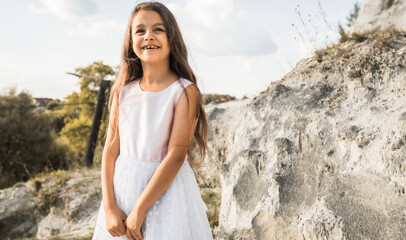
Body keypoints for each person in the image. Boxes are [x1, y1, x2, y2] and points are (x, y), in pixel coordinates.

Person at [91, 1, 213, 240]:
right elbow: (110, 151)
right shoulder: (122, 91)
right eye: (140, 30)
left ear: (172, 37)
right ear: (131, 40)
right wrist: (109, 207)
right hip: (123, 191)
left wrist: (141, 208)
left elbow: (177, 154)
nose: (149, 36)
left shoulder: (183, 91)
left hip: (167, 196)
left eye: (158, 29)